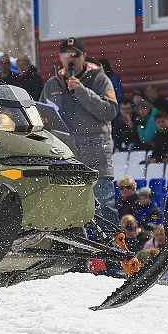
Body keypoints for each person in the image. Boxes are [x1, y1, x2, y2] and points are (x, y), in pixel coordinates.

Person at [42, 36, 121, 226]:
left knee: (104, 209)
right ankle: (77, 255)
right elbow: (42, 113)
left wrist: (82, 90)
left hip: (95, 158)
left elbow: (110, 111)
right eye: (66, 54)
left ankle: (112, 252)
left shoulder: (100, 79)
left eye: (75, 55)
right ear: (60, 57)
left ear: (84, 56)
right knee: (69, 214)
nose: (71, 58)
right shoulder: (51, 84)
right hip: (65, 159)